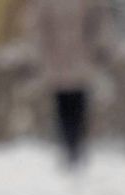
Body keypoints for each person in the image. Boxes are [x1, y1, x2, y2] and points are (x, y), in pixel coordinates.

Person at [31, 0, 112, 168]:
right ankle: (70, 148)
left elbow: (99, 23)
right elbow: (39, 29)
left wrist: (97, 48)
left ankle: (74, 148)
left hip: (77, 61)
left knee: (75, 107)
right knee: (66, 108)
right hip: (62, 63)